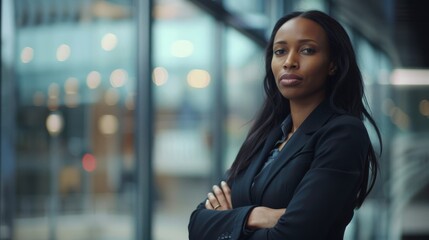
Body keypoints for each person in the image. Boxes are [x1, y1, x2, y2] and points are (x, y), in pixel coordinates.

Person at [188, 10, 381, 240]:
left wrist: (230, 222)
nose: (289, 62)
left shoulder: (343, 134)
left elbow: (293, 234)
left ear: (332, 64)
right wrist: (255, 216)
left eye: (307, 50)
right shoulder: (267, 135)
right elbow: (197, 224)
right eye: (280, 51)